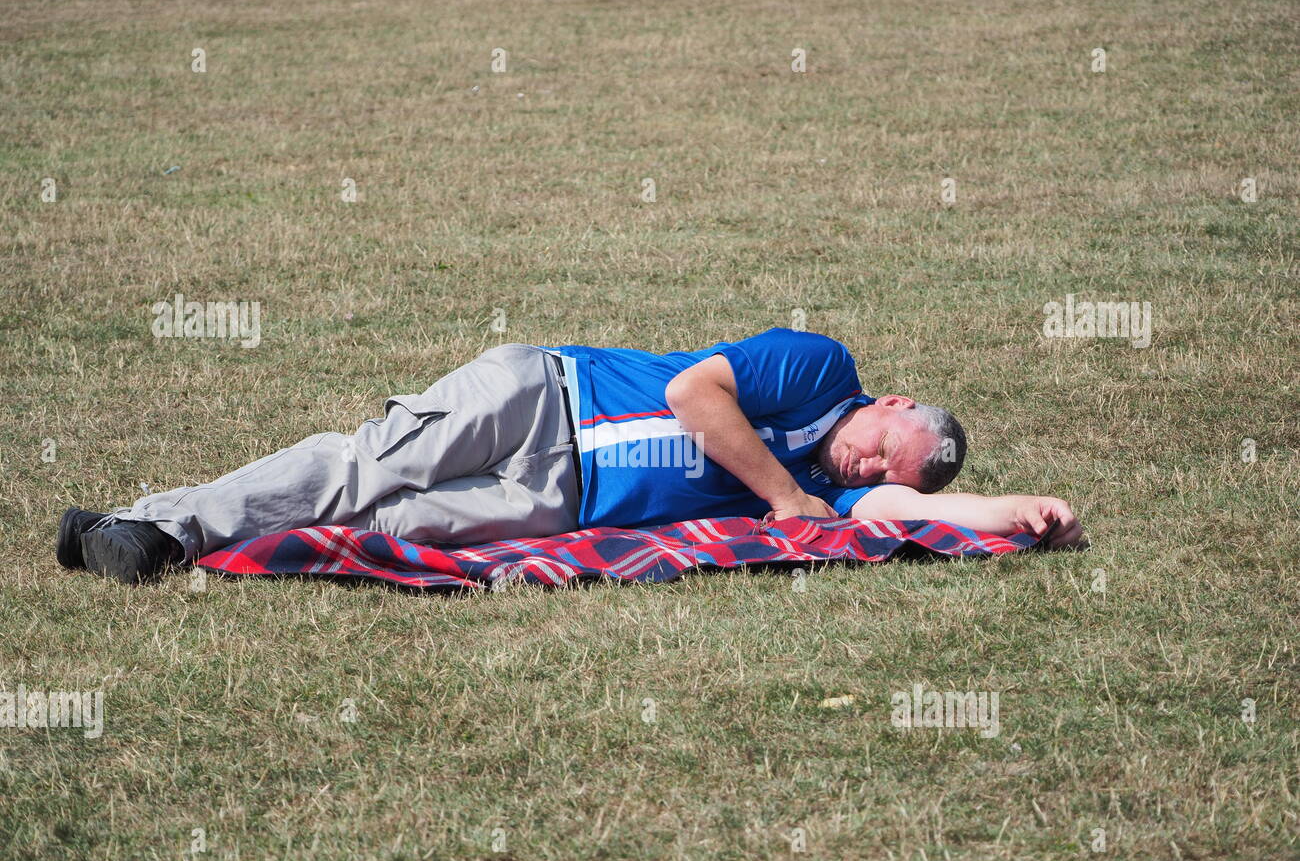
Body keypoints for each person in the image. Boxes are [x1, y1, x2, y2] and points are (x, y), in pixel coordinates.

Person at [58, 327, 1085, 583]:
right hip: (542, 396)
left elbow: (886, 522)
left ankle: (130, 539)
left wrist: (1020, 509)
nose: (864, 468)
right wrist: (781, 496)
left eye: (880, 471)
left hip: (558, 502)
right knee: (362, 466)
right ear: (887, 400)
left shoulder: (843, 491)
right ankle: (159, 525)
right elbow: (695, 394)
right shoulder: (821, 368)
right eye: (879, 447)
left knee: (378, 530)